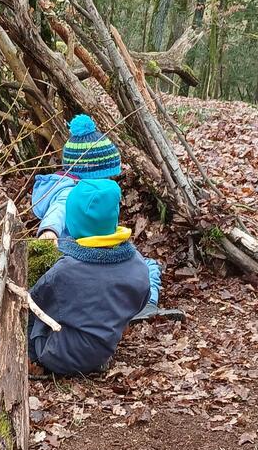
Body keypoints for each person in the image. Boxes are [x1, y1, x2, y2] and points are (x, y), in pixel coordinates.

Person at [31, 114, 181, 322]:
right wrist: (50, 230)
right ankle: (143, 303)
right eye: (107, 176)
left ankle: (136, 305)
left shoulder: (76, 188)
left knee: (143, 266)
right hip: (81, 255)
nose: (110, 180)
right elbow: (58, 210)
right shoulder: (71, 192)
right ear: (92, 173)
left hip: (90, 253)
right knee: (145, 268)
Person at [28, 179, 150, 375]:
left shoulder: (64, 271)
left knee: (32, 318)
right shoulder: (137, 264)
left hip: (57, 355)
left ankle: (30, 359)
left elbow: (35, 301)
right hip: (104, 349)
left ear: (72, 222)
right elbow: (141, 300)